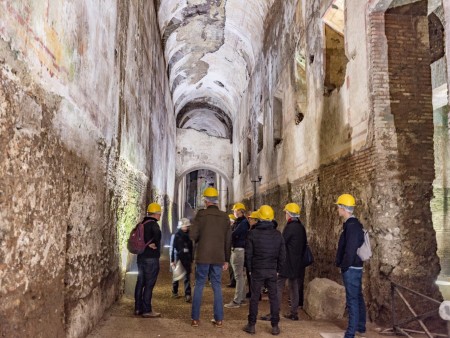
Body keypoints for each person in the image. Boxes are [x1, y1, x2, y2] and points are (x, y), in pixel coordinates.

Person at [190, 187, 231, 328]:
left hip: (203, 256)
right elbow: (228, 240)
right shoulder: (225, 216)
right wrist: (226, 259)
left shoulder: (200, 215)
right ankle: (219, 319)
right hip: (218, 256)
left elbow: (192, 236)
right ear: (216, 201)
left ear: (206, 201)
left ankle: (195, 319)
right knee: (217, 286)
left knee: (199, 284)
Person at [243, 205, 285, 336]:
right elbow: (282, 255)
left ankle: (251, 325)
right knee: (273, 298)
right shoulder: (278, 235)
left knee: (254, 298)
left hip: (257, 270)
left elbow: (248, 254)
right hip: (272, 270)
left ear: (259, 218)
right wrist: (278, 269)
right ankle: (275, 326)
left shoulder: (252, 234)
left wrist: (250, 270)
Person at [335, 194, 366, 338]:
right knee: (358, 297)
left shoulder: (352, 226)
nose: (337, 209)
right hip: (355, 267)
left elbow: (350, 249)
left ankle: (350, 333)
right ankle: (361, 326)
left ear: (343, 208)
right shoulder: (352, 224)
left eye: (338, 206)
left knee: (352, 299)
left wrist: (344, 266)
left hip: (351, 268)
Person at [277, 203, 307, 321]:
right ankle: (294, 313)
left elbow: (282, 244)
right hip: (297, 263)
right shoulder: (301, 227)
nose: (285, 214)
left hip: (287, 262)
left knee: (278, 285)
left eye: (286, 212)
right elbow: (304, 245)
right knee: (294, 287)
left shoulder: (290, 227)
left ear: (289, 214)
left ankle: (275, 311)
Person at [134, 202, 162, 318]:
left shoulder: (141, 223)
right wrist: (154, 244)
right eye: (159, 214)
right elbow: (158, 238)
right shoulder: (154, 225)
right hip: (151, 259)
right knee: (149, 284)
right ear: (155, 214)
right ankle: (147, 310)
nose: (160, 216)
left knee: (140, 283)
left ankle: (137, 308)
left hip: (141, 258)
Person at [225, 202, 250, 308]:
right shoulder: (241, 222)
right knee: (241, 276)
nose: (234, 212)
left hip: (238, 251)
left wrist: (229, 231)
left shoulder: (243, 223)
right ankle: (242, 298)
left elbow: (234, 234)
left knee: (238, 276)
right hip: (239, 250)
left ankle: (237, 301)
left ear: (240, 211)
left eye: (235, 211)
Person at [170, 217, 193, 302]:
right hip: (178, 257)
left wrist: (191, 258)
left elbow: (191, 248)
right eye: (184, 226)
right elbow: (172, 248)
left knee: (187, 276)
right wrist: (172, 260)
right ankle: (174, 291)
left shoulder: (189, 235)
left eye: (187, 226)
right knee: (176, 276)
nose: (185, 228)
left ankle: (188, 294)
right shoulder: (176, 235)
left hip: (187, 257)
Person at [245, 211, 260, 299]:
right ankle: (252, 292)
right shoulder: (252, 229)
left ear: (255, 220)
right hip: (253, 257)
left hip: (253, 258)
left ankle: (255, 294)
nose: (249, 220)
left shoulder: (253, 231)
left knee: (253, 277)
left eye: (250, 219)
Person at [227, 214, 237, 288]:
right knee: (231, 267)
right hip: (231, 248)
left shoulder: (233, 228)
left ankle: (234, 281)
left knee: (233, 266)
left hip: (233, 249)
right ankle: (232, 281)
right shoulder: (231, 228)